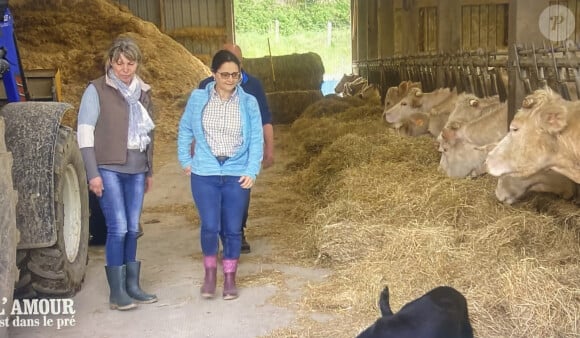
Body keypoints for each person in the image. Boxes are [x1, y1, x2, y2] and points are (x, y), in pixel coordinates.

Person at [77, 35, 157, 311]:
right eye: (119, 62)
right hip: (108, 168)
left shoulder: (143, 93)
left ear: (137, 64)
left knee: (133, 229)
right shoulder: (96, 90)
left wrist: (149, 170)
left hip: (137, 169)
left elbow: (149, 134)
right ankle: (117, 291)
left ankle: (133, 285)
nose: (124, 68)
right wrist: (92, 173)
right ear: (110, 62)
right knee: (119, 227)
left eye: (130, 63)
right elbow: (85, 134)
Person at [178, 49, 264, 300]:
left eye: (235, 75)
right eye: (224, 74)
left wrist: (252, 170)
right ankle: (209, 274)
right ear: (213, 74)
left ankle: (229, 278)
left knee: (233, 229)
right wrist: (185, 160)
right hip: (205, 172)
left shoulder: (249, 102)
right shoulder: (197, 99)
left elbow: (256, 139)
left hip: (237, 172)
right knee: (210, 226)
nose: (230, 79)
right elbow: (185, 130)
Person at [198, 43, 274, 253]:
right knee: (215, 197)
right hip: (212, 155)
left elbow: (264, 119)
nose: (230, 74)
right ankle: (222, 234)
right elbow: (195, 122)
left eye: (235, 65)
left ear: (241, 64)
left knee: (240, 193)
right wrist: (192, 151)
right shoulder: (204, 87)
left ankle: (238, 232)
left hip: (241, 155)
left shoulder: (253, 87)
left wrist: (269, 148)